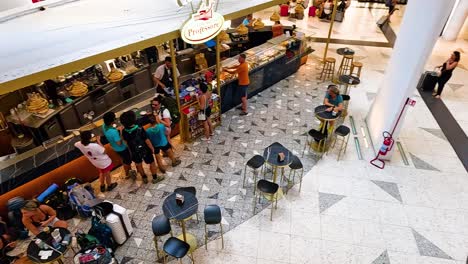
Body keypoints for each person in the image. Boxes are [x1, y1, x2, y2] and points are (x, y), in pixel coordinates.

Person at [120, 111, 163, 184]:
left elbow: (125, 141)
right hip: (145, 150)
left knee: (138, 164)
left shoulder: (124, 131)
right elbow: (147, 140)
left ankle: (144, 178)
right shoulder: (140, 128)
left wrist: (121, 131)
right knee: (152, 163)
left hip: (134, 151)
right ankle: (155, 178)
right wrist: (152, 148)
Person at [100, 112, 132, 178]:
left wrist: (117, 129)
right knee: (127, 161)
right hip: (122, 148)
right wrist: (120, 131)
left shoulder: (104, 126)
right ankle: (128, 173)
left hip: (115, 147)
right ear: (112, 120)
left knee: (123, 159)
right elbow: (119, 143)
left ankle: (128, 170)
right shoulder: (113, 132)